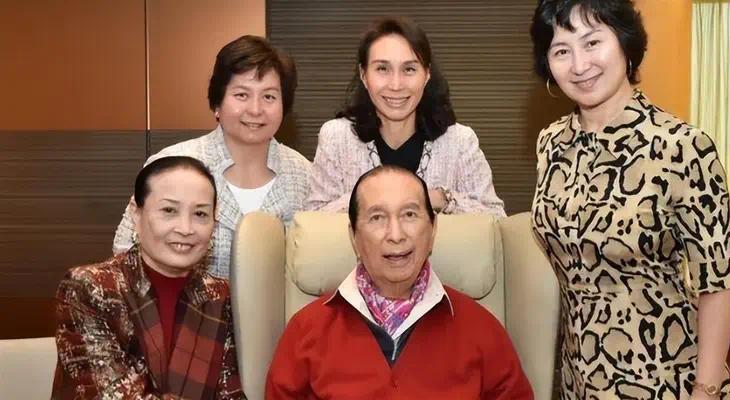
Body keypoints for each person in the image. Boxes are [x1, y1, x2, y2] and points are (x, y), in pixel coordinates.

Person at [530, 1, 730, 399]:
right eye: (561, 50)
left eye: (593, 42)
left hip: (666, 377)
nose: (579, 64)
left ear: (625, 43)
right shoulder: (551, 143)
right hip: (580, 377)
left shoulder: (683, 147)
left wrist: (706, 389)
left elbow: (718, 281)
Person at [266, 165, 532, 399]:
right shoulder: (306, 330)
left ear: (433, 229)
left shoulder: (481, 329)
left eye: (409, 215)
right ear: (354, 236)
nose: (396, 235)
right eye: (377, 218)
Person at [114, 35, 311, 278]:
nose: (256, 109)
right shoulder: (173, 163)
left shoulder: (304, 174)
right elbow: (124, 251)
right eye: (242, 95)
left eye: (269, 96)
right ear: (217, 102)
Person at [53, 156, 246, 399]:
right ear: (136, 214)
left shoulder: (220, 296)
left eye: (200, 214)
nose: (185, 228)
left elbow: (231, 393)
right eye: (169, 210)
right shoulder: (91, 287)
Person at [306, 16, 505, 216]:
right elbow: (313, 219)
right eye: (382, 69)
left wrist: (439, 198)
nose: (396, 85)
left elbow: (496, 219)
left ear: (426, 74)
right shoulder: (336, 137)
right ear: (364, 75)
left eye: (409, 69)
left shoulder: (459, 141)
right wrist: (372, 198)